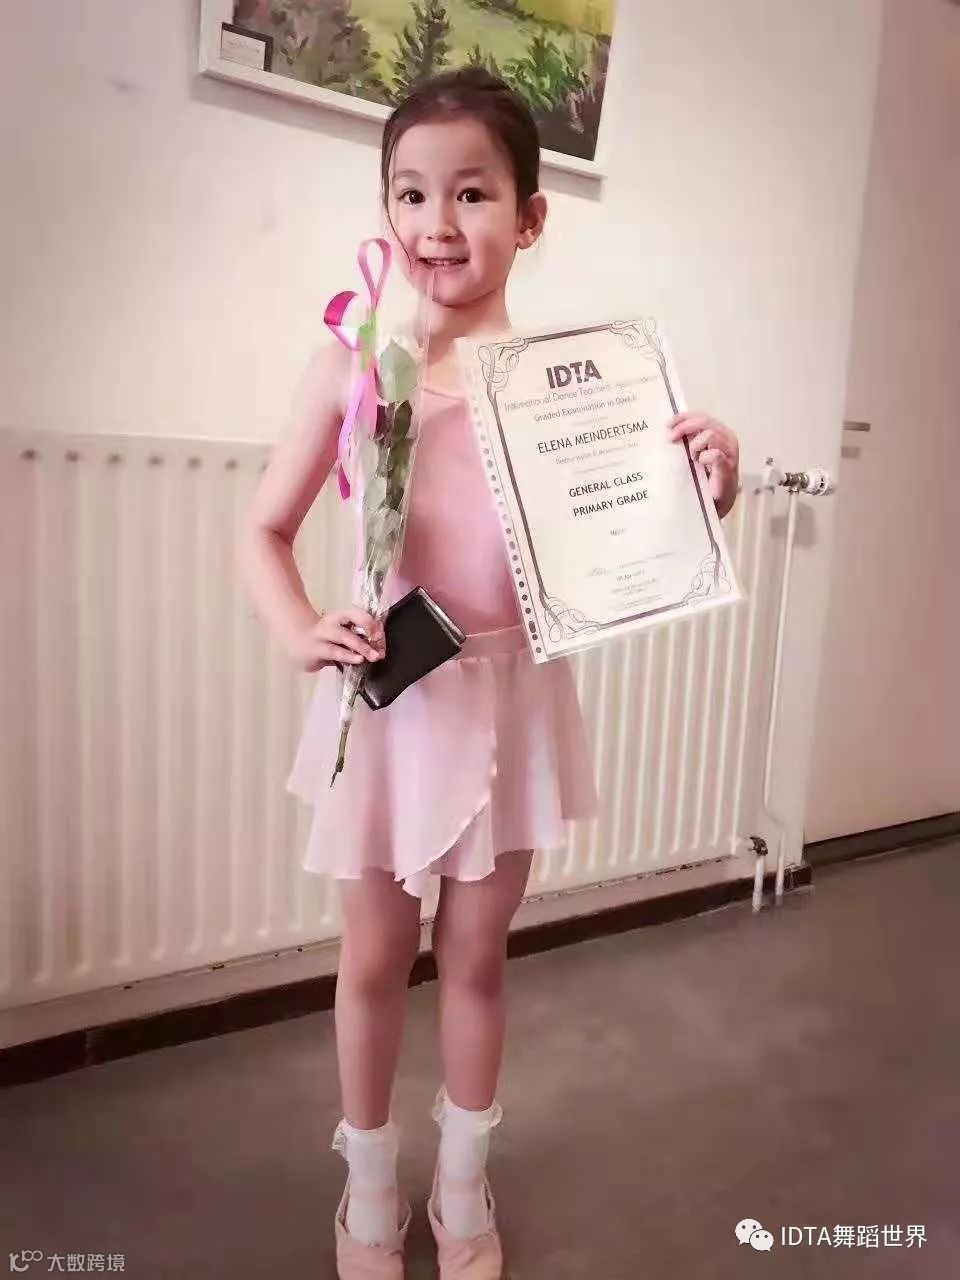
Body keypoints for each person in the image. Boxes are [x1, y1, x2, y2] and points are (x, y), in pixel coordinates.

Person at [241, 68, 740, 1280]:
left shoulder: (582, 384)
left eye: (472, 193)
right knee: (372, 956)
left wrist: (710, 473)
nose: (437, 222)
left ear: (530, 216)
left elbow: (644, 527)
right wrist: (298, 625)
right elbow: (262, 529)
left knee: (475, 955)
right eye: (411, 193)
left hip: (511, 701)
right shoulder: (356, 364)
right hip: (389, 704)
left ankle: (463, 1181)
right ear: (386, 207)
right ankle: (370, 1183)